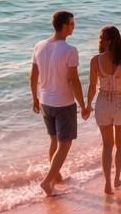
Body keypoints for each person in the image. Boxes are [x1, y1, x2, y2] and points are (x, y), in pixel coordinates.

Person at [30, 10, 88, 197]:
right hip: (63, 102)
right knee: (65, 143)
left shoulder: (39, 46)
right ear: (64, 25)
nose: (74, 26)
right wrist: (83, 104)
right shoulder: (70, 50)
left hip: (46, 100)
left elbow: (33, 75)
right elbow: (74, 81)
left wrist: (34, 97)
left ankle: (57, 176)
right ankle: (48, 181)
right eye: (72, 23)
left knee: (54, 139)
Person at [86, 25, 121, 194]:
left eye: (101, 37)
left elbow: (92, 86)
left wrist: (87, 105)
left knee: (107, 145)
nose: (99, 40)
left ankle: (107, 184)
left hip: (102, 103)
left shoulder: (95, 60)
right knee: (120, 144)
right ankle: (116, 179)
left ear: (107, 40)